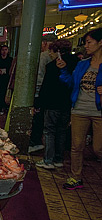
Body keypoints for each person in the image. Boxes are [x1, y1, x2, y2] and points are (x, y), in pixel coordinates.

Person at [57, 28, 102, 190]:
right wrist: (63, 70)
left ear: (100, 42)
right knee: (76, 146)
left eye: (89, 42)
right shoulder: (83, 65)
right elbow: (71, 83)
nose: (86, 46)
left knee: (98, 148)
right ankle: (75, 177)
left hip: (99, 112)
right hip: (79, 110)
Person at [36, 39, 78, 170]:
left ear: (57, 51)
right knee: (62, 131)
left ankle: (48, 160)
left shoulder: (52, 66)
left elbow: (46, 87)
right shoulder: (77, 63)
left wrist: (39, 103)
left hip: (52, 104)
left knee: (49, 131)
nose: (50, 54)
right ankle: (59, 159)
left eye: (51, 51)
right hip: (67, 104)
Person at [29, 35, 56, 153]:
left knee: (37, 118)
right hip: (52, 95)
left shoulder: (44, 56)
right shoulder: (54, 57)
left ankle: (35, 142)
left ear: (44, 43)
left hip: (40, 93)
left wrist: (36, 94)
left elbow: (39, 77)